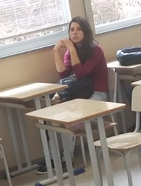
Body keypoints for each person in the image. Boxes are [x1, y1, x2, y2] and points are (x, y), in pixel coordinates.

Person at [40, 16, 108, 173]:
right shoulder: (70, 52)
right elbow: (64, 75)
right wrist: (56, 51)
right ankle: (53, 159)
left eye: (78, 29)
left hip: (97, 95)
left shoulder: (95, 50)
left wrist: (71, 49)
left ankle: (67, 160)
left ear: (86, 32)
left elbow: (81, 73)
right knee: (52, 117)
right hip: (79, 95)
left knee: (68, 119)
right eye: (71, 30)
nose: (74, 33)